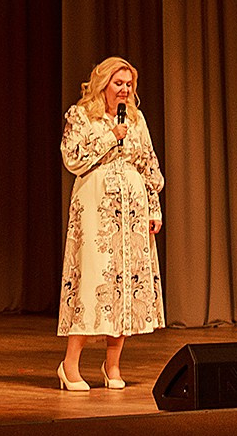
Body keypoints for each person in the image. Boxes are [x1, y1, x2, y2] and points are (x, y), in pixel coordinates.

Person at [56, 56, 166, 390]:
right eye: (119, 83)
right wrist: (109, 137)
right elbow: (72, 157)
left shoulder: (136, 118)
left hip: (132, 209)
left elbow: (148, 163)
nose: (125, 90)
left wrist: (154, 209)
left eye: (129, 84)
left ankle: (112, 365)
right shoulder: (80, 115)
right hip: (96, 206)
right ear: (103, 83)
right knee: (93, 281)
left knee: (126, 285)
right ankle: (69, 366)